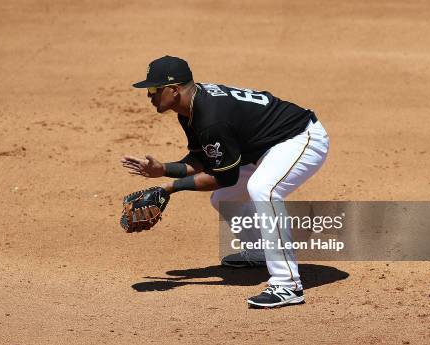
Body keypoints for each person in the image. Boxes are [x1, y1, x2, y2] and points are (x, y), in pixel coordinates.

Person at [121, 55, 329, 308]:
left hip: (299, 138)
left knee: (263, 188)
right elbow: (203, 158)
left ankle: (288, 284)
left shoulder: (210, 117)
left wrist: (169, 188)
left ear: (173, 90)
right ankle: (259, 252)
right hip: (262, 148)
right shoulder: (190, 108)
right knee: (225, 198)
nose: (149, 95)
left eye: (153, 89)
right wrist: (163, 169)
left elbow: (225, 176)